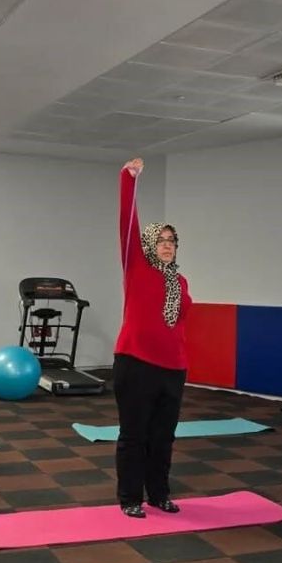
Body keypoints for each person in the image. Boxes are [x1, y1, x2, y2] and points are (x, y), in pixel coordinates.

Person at [113, 158, 192, 518]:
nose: (167, 244)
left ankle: (159, 493)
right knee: (134, 435)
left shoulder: (180, 281)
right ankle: (130, 498)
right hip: (136, 363)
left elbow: (178, 325)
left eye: (171, 240)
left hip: (173, 369)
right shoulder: (137, 267)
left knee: (163, 436)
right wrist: (128, 179)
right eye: (160, 239)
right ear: (148, 244)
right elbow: (127, 220)